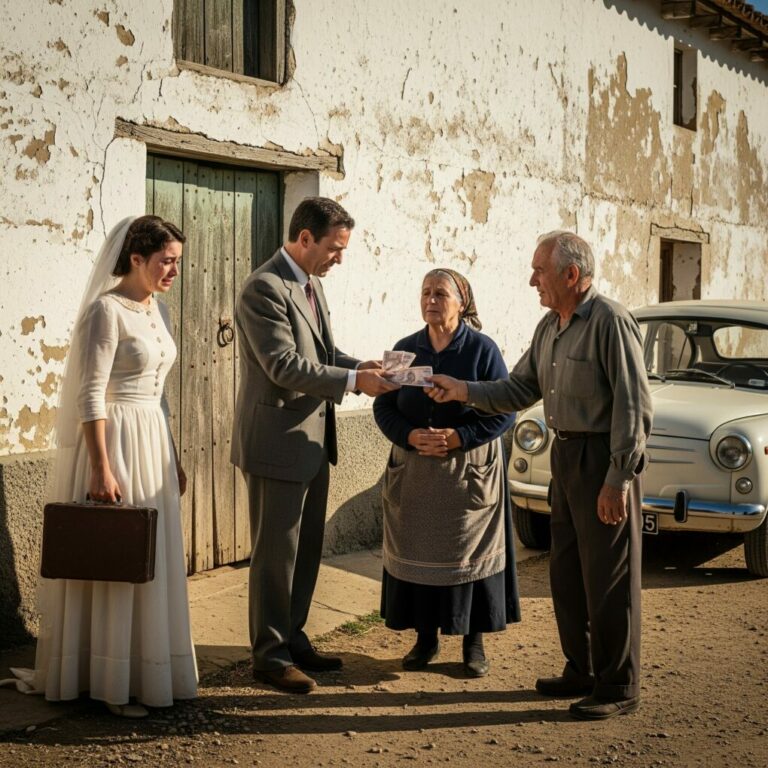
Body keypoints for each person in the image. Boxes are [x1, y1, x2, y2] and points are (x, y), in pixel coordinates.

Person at [428, 232, 652, 720]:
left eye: (539, 271)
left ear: (571, 275)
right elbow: (518, 388)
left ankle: (618, 685)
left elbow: (633, 409)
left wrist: (618, 479)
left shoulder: (610, 322)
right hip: (565, 459)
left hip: (601, 462)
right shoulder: (550, 325)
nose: (532, 280)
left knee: (608, 579)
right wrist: (461, 390)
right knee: (568, 574)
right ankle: (582, 669)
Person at [6, 216, 198, 717]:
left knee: (147, 562)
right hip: (114, 443)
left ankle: (145, 673)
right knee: (114, 561)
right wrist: (101, 468)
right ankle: (108, 681)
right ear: (136, 258)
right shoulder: (105, 311)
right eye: (166, 260)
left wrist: (172, 457)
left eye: (178, 260)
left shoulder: (161, 311)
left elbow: (160, 397)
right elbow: (90, 394)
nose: (174, 270)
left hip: (151, 441)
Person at [231, 197, 398, 694]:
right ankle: (269, 657)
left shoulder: (311, 285)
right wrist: (351, 381)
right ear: (305, 239)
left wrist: (360, 366)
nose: (339, 259)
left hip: (312, 442)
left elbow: (321, 353)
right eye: (335, 248)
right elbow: (283, 365)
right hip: (277, 442)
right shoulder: (263, 288)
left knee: (305, 553)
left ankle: (292, 637)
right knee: (275, 556)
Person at [373, 268, 520, 678]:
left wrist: (460, 437)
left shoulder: (481, 350)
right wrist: (410, 435)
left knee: (468, 555)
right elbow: (383, 407)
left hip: (467, 474)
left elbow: (505, 409)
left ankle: (474, 644)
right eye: (425, 292)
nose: (431, 300)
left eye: (440, 293)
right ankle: (425, 639)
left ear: (462, 301)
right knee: (419, 551)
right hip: (416, 474)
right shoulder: (405, 350)